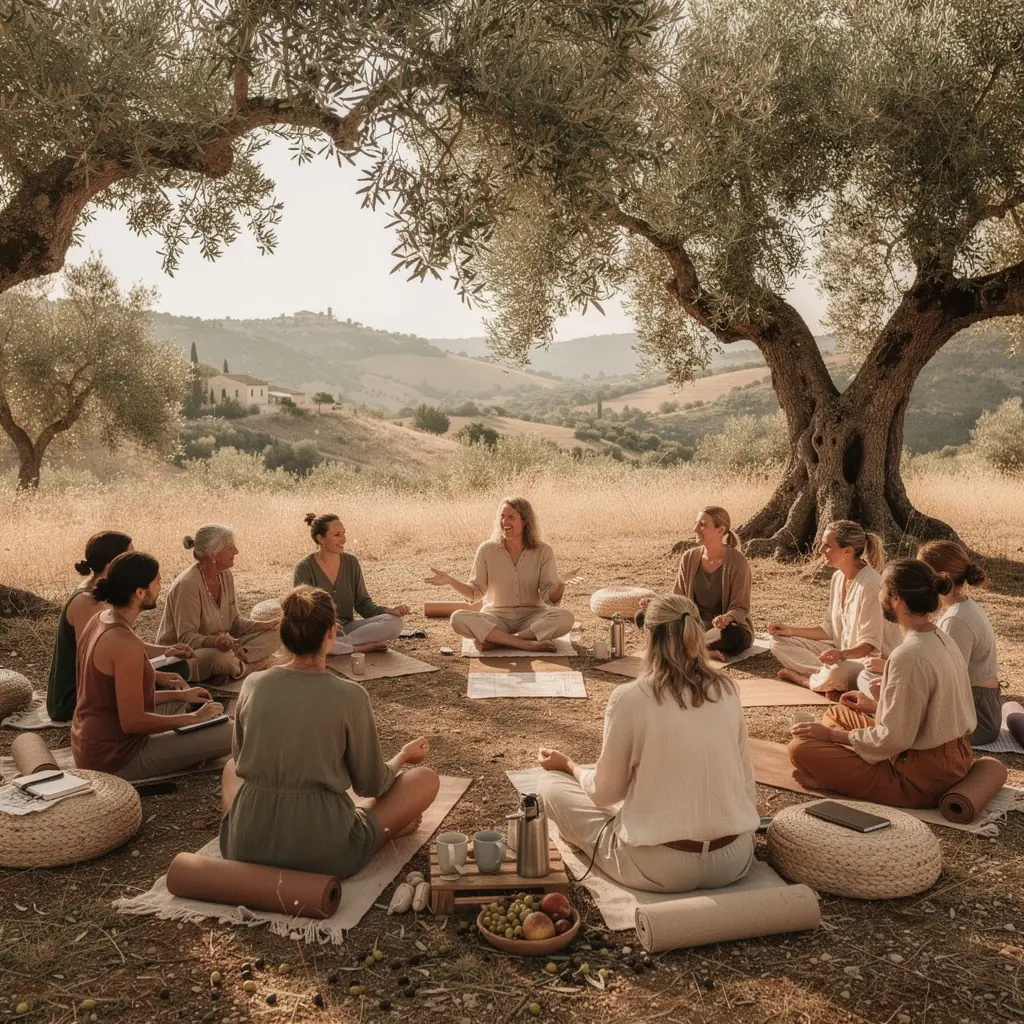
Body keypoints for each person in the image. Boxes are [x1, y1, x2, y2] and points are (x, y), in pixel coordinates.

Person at [536, 594, 758, 893]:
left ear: (650, 636)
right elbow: (746, 781)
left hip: (658, 868)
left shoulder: (630, 698)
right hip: (733, 861)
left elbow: (605, 794)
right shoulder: (728, 690)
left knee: (550, 785)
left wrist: (569, 766)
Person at [219, 586, 440, 878]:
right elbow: (371, 785)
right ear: (331, 635)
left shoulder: (252, 684)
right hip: (324, 850)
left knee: (231, 768)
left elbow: (241, 759)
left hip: (243, 846)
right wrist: (402, 756)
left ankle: (253, 834)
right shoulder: (350, 695)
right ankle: (381, 831)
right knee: (425, 779)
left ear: (284, 635)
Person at [788, 558, 976, 808]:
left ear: (896, 599)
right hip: (954, 758)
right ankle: (845, 769)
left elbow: (894, 739)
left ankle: (836, 778)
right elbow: (930, 713)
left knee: (800, 748)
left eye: (882, 591)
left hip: (920, 777)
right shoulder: (941, 637)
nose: (879, 598)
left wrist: (832, 736)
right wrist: (878, 705)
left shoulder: (909, 655)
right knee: (837, 712)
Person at [72, 552, 231, 780]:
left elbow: (118, 699)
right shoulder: (125, 644)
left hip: (90, 742)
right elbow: (133, 721)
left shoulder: (102, 618)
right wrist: (194, 719)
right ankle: (194, 745)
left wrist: (183, 696)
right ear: (139, 592)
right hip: (116, 758)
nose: (160, 585)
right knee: (231, 733)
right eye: (157, 581)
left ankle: (193, 742)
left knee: (185, 701)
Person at [46, 532, 192, 723]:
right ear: (110, 564)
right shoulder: (86, 602)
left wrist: (165, 651)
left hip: (102, 679)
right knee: (171, 678)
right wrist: (155, 677)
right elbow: (95, 663)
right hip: (76, 696)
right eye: (128, 555)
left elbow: (125, 646)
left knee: (178, 665)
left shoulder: (106, 596)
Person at [424, 497, 577, 652]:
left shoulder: (543, 551)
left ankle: (500, 640)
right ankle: (526, 643)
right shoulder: (487, 549)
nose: (505, 521)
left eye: (511, 517)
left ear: (525, 522)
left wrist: (560, 584)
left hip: (532, 618)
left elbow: (549, 598)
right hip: (495, 619)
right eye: (502, 517)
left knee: (565, 617)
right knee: (457, 618)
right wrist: (451, 581)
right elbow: (474, 593)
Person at [768, 520, 899, 697]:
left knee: (837, 672)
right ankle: (826, 680)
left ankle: (809, 680)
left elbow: (869, 646)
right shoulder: (838, 577)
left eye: (827, 546)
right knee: (777, 642)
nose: (821, 550)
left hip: (870, 661)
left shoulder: (871, 585)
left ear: (848, 551)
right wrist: (790, 631)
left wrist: (841, 655)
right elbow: (829, 629)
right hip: (841, 654)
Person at [158, 525, 280, 682]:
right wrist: (215, 643)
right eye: (230, 548)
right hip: (184, 656)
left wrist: (265, 625)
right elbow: (186, 639)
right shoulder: (188, 585)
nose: (236, 551)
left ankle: (234, 662)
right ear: (212, 555)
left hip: (222, 647)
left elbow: (234, 624)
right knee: (219, 657)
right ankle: (248, 668)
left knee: (278, 632)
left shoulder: (225, 575)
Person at [917, 540, 1001, 746]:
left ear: (937, 576)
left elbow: (950, 682)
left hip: (977, 717)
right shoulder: (959, 607)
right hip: (976, 704)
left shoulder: (956, 619)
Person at [292, 513, 409, 655]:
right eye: (337, 535)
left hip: (347, 628)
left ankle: (337, 647)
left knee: (396, 622)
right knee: (310, 637)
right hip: (319, 631)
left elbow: (363, 604)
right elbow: (303, 612)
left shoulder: (351, 562)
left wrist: (388, 610)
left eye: (343, 533)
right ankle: (352, 647)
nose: (344, 539)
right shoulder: (304, 567)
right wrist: (327, 629)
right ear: (320, 539)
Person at [672, 506, 753, 662]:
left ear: (720, 530)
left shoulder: (738, 562)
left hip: (722, 630)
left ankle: (683, 649)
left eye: (702, 525)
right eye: (696, 523)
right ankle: (703, 651)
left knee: (732, 635)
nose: (695, 529)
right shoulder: (689, 558)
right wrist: (656, 605)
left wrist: (727, 618)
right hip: (694, 628)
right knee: (644, 617)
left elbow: (741, 607)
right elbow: (678, 598)